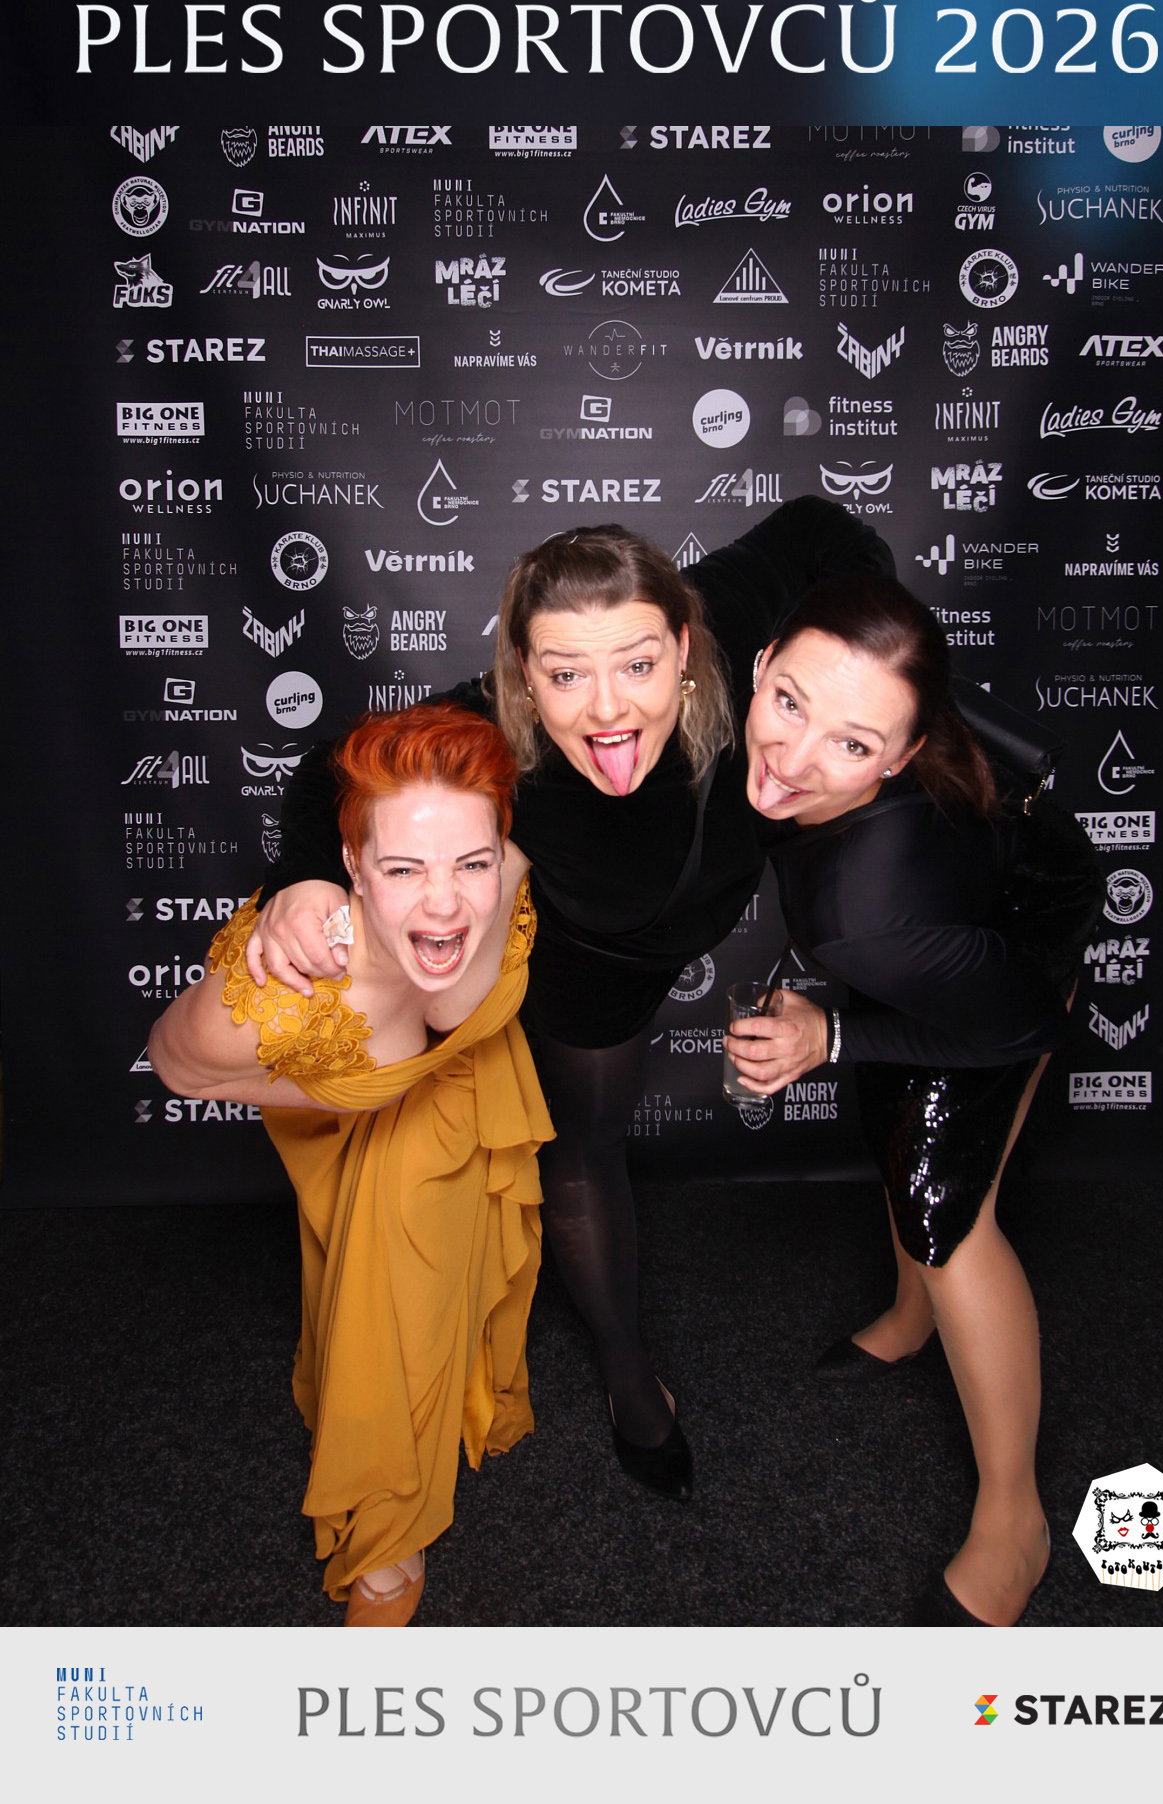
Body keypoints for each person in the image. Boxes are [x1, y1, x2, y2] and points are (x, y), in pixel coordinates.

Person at [247, 500, 894, 1498]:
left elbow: (820, 527)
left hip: (712, 891)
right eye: (563, 675)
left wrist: (862, 672)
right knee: (585, 1148)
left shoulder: (727, 618)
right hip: (591, 966)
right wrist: (301, 877)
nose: (606, 709)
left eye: (637, 664)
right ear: (521, 674)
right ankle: (630, 1379)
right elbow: (331, 768)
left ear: (684, 644)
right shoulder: (482, 728)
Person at [725, 574, 1104, 1626]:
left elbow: (1019, 1024)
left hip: (1013, 941)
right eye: (789, 701)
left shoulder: (869, 916)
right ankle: (909, 1320)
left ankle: (1014, 1521)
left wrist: (833, 1034)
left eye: (850, 744)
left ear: (897, 756)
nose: (791, 757)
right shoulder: (831, 774)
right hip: (927, 918)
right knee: (890, 1127)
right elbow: (813, 531)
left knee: (943, 1207)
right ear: (760, 663)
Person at [148, 705, 552, 1625]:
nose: (445, 904)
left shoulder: (509, 869)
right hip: (366, 1113)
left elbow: (467, 969)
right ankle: (387, 1538)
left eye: (471, 864)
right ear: (351, 869)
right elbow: (175, 1063)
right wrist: (348, 1089)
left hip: (468, 1088)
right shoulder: (291, 990)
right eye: (403, 869)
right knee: (389, 1315)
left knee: (435, 1300)